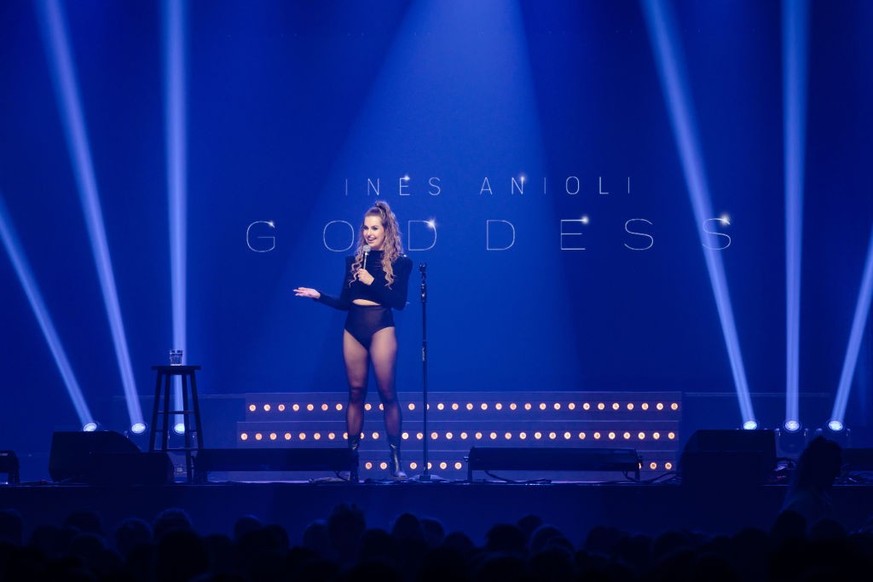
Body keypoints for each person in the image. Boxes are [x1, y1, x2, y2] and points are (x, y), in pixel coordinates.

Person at [295, 201, 413, 481]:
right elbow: (345, 303)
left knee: (387, 393)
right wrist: (319, 296)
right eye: (365, 228)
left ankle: (396, 461)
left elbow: (398, 303)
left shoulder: (401, 262)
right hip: (353, 326)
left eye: (374, 228)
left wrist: (372, 281)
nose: (368, 233)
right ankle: (352, 463)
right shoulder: (354, 261)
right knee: (356, 394)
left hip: (381, 325)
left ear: (387, 230)